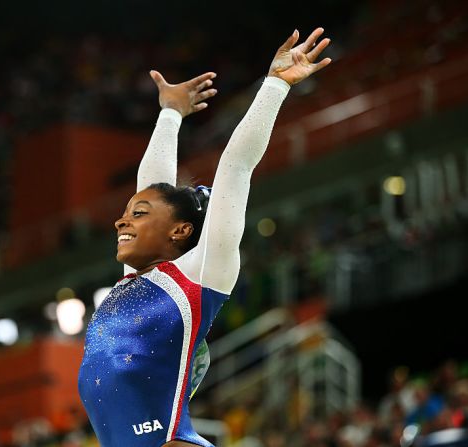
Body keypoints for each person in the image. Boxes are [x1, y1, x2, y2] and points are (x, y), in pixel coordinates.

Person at [77, 28, 332, 447]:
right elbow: (152, 185)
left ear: (180, 230)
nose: (121, 222)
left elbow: (236, 166)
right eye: (124, 214)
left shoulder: (198, 277)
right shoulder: (133, 279)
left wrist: (274, 85)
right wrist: (170, 113)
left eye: (137, 215)